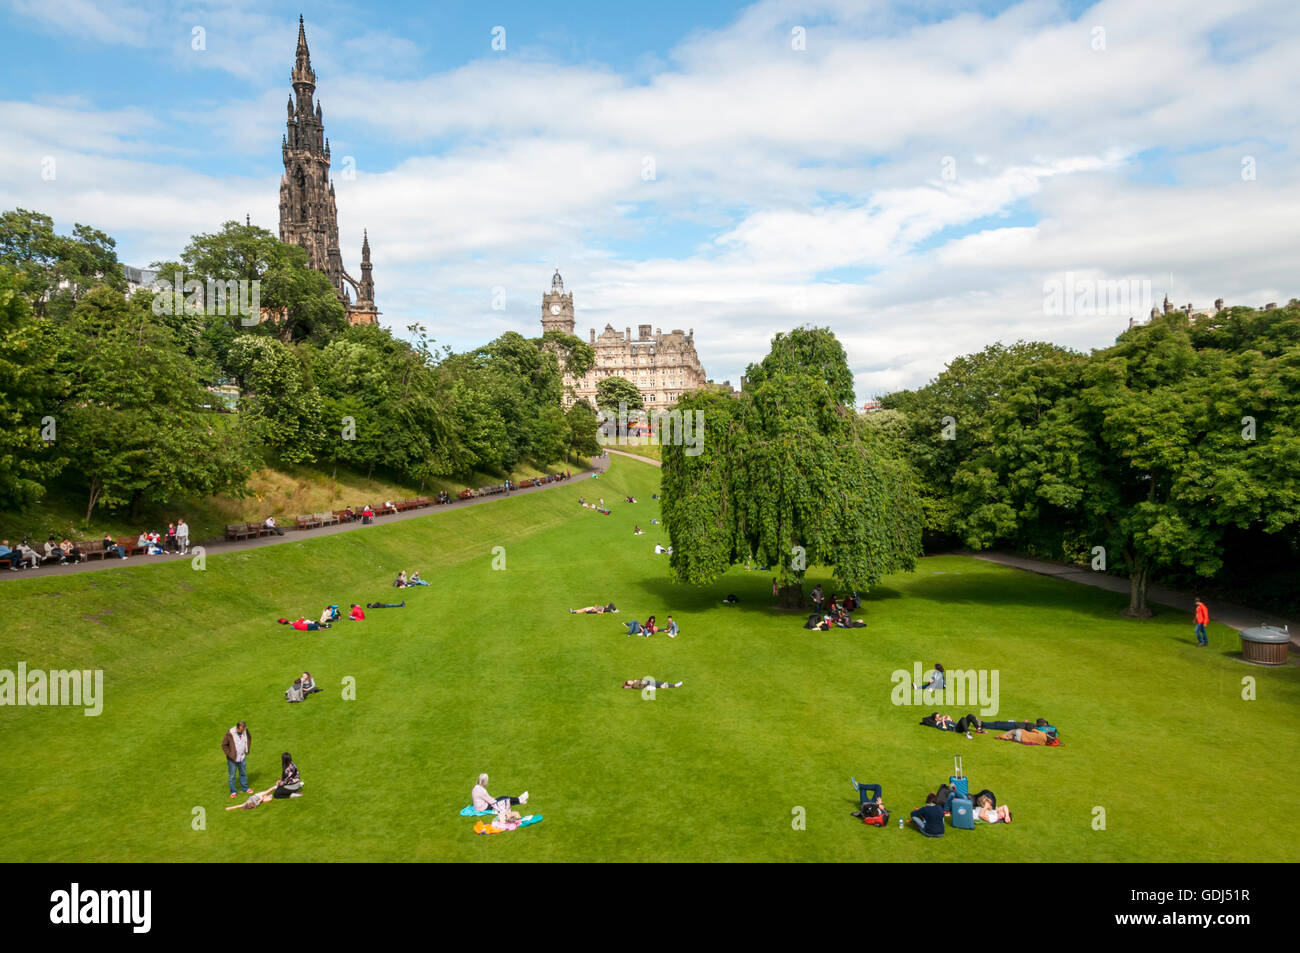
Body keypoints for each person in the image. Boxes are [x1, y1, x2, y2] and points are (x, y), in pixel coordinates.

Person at [222, 721, 253, 798]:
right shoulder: (230, 734)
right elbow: (224, 745)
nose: (242, 731)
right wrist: (229, 754)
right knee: (232, 776)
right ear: (237, 728)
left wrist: (247, 749)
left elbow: (249, 738)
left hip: (242, 757)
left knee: (243, 773)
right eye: (241, 730)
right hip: (232, 759)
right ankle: (233, 791)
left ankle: (245, 788)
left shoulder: (245, 731)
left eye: (243, 729)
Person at [920, 712, 985, 738]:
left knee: (969, 715)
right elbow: (944, 729)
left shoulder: (943, 720)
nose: (941, 716)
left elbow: (952, 723)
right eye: (939, 716)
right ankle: (968, 733)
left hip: (960, 725)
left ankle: (978, 729)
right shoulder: (938, 724)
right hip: (956, 729)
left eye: (940, 715)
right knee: (963, 718)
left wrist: (950, 719)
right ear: (936, 719)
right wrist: (943, 721)